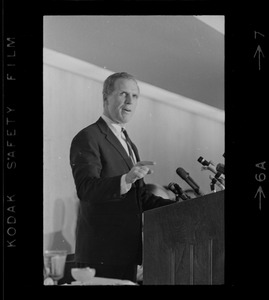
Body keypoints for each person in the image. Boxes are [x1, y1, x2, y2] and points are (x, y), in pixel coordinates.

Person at [70, 72, 175, 283]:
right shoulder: (88, 137)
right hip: (100, 254)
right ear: (106, 97)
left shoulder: (129, 143)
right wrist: (125, 180)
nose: (130, 101)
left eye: (135, 96)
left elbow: (140, 197)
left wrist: (180, 206)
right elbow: (86, 188)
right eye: (123, 94)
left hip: (125, 254)